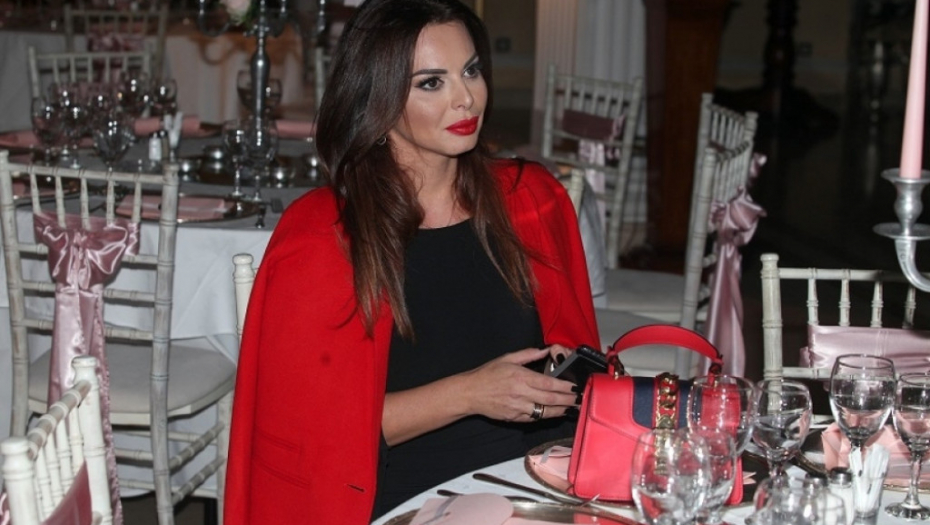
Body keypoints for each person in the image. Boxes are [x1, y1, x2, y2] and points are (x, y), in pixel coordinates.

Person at [223, 0, 599, 523]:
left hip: (539, 481)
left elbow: (580, 366)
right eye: (431, 83)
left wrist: (566, 380)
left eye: (471, 71)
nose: (466, 98)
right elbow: (316, 433)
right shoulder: (324, 237)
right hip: (404, 497)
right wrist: (469, 394)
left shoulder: (530, 200)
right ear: (377, 99)